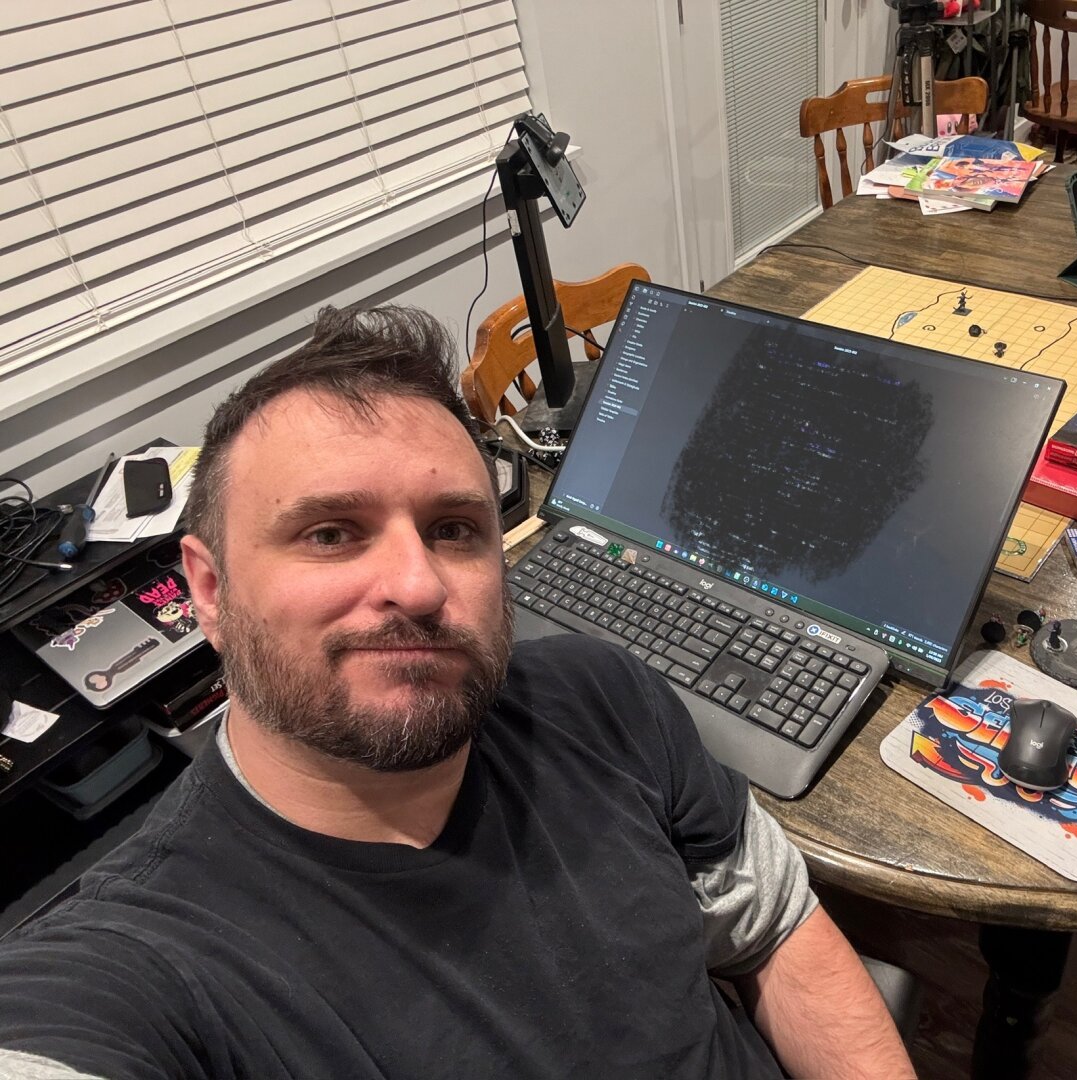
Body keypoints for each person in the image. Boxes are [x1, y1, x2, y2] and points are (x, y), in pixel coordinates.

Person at [0, 307, 915, 1080]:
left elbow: (776, 932)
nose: (418, 584)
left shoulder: (606, 698)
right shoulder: (148, 961)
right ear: (207, 590)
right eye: (330, 532)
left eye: (452, 529)